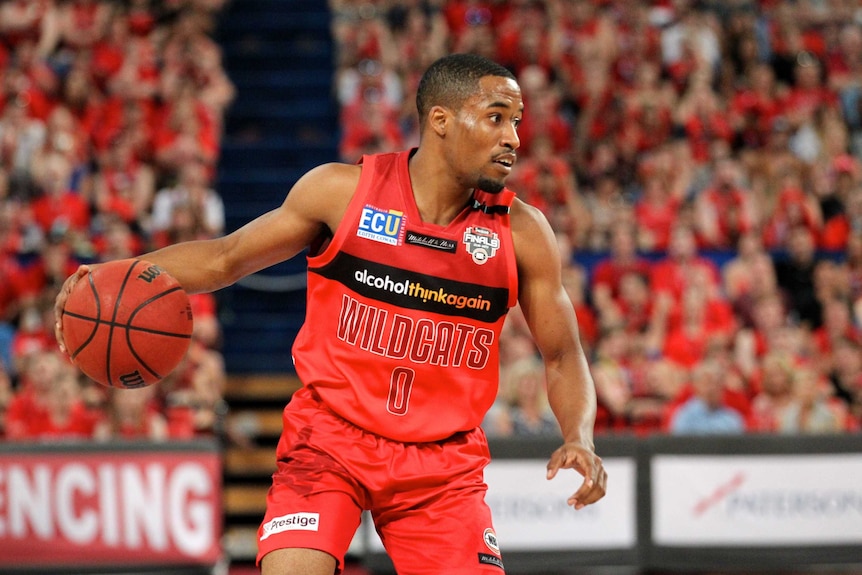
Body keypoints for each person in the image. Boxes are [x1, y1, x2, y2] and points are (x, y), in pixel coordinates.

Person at [55, 53, 607, 574]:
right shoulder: (343, 193)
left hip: (441, 465)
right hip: (330, 440)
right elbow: (224, 259)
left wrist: (578, 435)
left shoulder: (524, 232)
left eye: (517, 122)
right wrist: (108, 276)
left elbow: (562, 353)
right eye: (495, 118)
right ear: (440, 120)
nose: (513, 138)